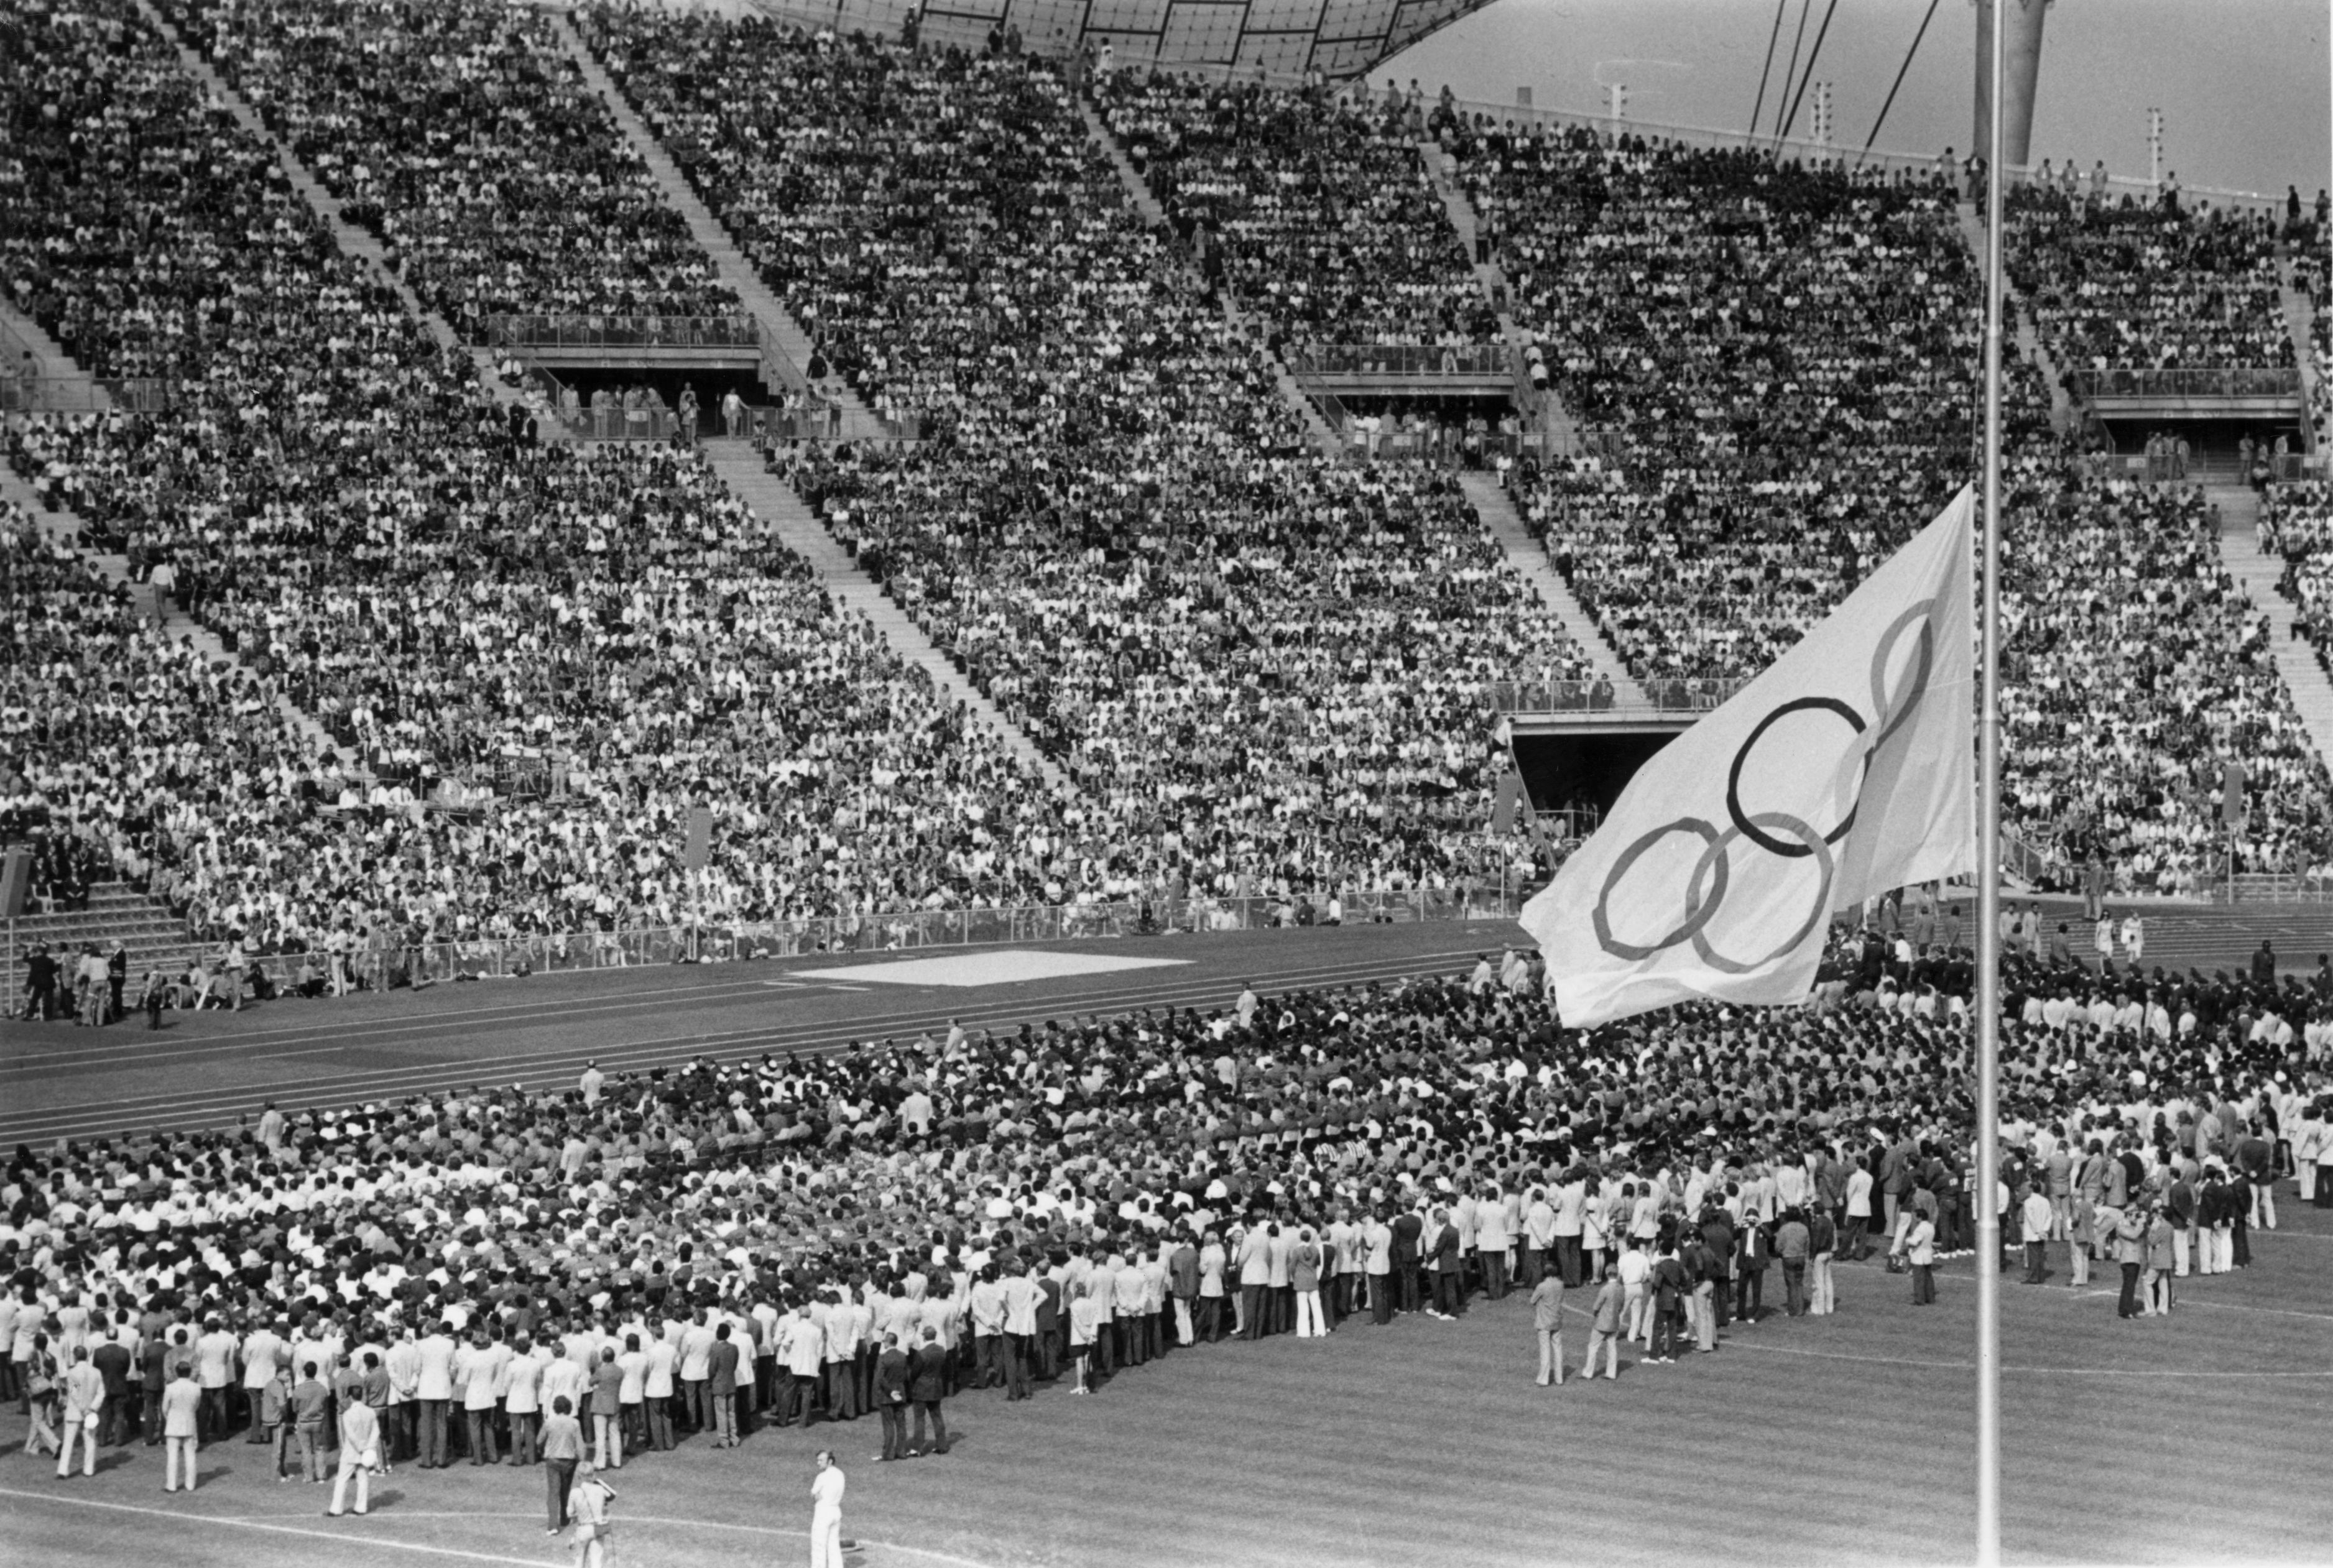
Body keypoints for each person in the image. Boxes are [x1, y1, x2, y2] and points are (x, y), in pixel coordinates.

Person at [327, 1387, 381, 1516]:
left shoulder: (348, 1414)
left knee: (342, 1480)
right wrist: (369, 1448)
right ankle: (361, 1508)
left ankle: (336, 1509)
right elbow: (376, 1431)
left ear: (351, 1397)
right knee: (363, 1480)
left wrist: (362, 1448)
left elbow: (351, 1435)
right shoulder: (370, 1412)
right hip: (365, 1452)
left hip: (351, 1453)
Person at [540, 1393, 586, 1535]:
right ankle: (565, 1518)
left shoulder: (549, 1422)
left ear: (555, 1408)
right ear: (569, 1408)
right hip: (569, 1460)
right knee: (565, 1490)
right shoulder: (575, 1423)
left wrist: (542, 1449)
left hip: (553, 1460)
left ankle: (552, 1526)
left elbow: (538, 1440)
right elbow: (580, 1444)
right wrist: (582, 1461)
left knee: (553, 1493)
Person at [56, 1346, 104, 1478]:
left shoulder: (72, 1373)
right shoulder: (96, 1372)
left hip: (75, 1412)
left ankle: (63, 1470)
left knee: (68, 1442)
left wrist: (84, 1409)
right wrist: (92, 1408)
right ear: (87, 1356)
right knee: (90, 1441)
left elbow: (74, 1394)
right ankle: (89, 1470)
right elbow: (101, 1393)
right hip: (89, 1412)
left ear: (75, 1357)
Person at [160, 1360, 203, 1492]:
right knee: (191, 1455)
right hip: (189, 1422)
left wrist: (170, 1418)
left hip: (174, 1423)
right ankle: (191, 1485)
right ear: (189, 1372)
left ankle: (171, 1485)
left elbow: (165, 1408)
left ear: (177, 1373)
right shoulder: (196, 1387)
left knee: (172, 1456)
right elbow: (197, 1405)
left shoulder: (171, 1387)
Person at [905, 1326, 948, 1455]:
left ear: (924, 1336)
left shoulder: (922, 1353)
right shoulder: (941, 1351)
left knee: (919, 1419)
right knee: (937, 1417)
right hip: (936, 1387)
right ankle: (942, 1445)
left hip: (922, 1389)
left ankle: (917, 1448)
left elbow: (914, 1373)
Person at [570, 1457, 617, 1568]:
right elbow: (612, 1495)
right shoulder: (599, 1487)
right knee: (597, 1561)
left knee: (579, 1560)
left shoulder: (576, 1490)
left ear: (578, 1475)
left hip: (583, 1527)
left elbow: (571, 1512)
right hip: (598, 1527)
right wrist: (596, 1481)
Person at [872, 1333, 909, 1460]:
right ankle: (901, 1452)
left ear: (888, 1342)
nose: (883, 1343)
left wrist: (890, 1391)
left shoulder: (883, 1358)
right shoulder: (903, 1356)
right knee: (901, 1424)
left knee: (888, 1425)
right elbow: (905, 1375)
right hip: (900, 1393)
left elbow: (880, 1378)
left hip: (887, 1396)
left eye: (884, 1341)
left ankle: (888, 1454)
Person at [1582, 1270, 1623, 1381]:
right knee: (1612, 1346)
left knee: (1593, 1346)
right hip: (1614, 1321)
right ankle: (1611, 1373)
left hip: (1603, 1322)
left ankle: (1588, 1373)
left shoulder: (1605, 1289)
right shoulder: (1621, 1288)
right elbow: (1622, 1305)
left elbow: (1597, 1305)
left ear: (1607, 1274)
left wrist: (1595, 1313)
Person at [1528, 1266, 1564, 1386]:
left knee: (1545, 1351)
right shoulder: (1561, 1284)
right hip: (1557, 1320)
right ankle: (1559, 1379)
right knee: (1558, 1350)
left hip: (1544, 1322)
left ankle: (1544, 1379)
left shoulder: (1542, 1286)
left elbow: (1532, 1301)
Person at [810, 1450, 846, 1568]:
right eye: (818, 1460)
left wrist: (816, 1496)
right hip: (836, 1512)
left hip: (823, 1513)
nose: (818, 1463)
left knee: (818, 1545)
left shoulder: (822, 1476)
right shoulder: (840, 1474)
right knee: (833, 1545)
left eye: (821, 1460)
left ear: (830, 1461)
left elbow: (814, 1494)